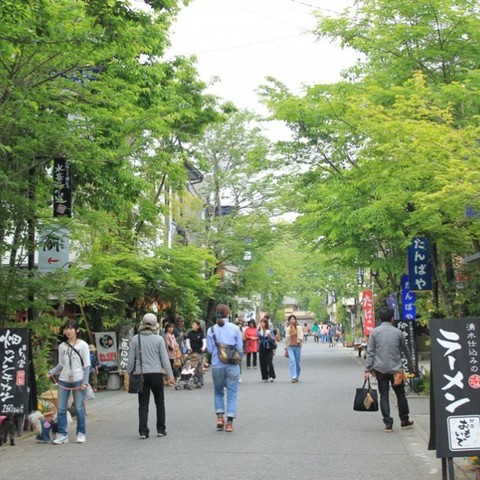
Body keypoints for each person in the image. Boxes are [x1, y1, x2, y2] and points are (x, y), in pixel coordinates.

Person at [364, 306, 415, 433]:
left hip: (380, 369)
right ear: (392, 318)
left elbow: (370, 352)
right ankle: (404, 420)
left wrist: (367, 369)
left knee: (384, 396)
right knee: (400, 395)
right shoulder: (398, 332)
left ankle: (388, 423)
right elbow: (405, 350)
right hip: (396, 371)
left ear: (380, 319)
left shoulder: (374, 333)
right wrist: (411, 364)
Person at [128, 313, 174, 439]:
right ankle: (161, 429)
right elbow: (164, 359)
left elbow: (131, 360)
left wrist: (128, 373)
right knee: (159, 402)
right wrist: (170, 375)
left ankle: (143, 431)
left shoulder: (136, 339)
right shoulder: (159, 339)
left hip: (141, 374)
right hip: (156, 374)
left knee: (143, 403)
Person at [47, 319, 90, 445]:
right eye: (67, 329)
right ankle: (62, 435)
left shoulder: (83, 345)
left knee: (78, 408)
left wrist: (85, 382)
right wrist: (51, 372)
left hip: (78, 380)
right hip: (63, 380)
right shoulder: (62, 346)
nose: (69, 331)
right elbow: (61, 365)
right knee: (61, 409)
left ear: (76, 330)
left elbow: (87, 366)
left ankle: (81, 433)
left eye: (71, 328)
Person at [206, 304, 243, 433]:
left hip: (217, 365)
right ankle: (229, 423)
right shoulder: (235, 328)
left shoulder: (211, 330)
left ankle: (220, 418)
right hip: (232, 365)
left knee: (218, 391)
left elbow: (210, 350)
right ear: (228, 314)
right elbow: (239, 348)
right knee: (232, 394)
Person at [185, 320, 206, 386]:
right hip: (192, 351)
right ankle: (191, 378)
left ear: (198, 326)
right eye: (192, 325)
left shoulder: (201, 333)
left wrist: (203, 348)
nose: (193, 326)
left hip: (199, 351)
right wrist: (189, 348)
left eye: (194, 325)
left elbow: (204, 341)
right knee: (191, 364)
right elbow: (188, 341)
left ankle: (200, 380)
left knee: (199, 366)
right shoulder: (190, 333)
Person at [285, 314, 303, 383]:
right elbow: (286, 338)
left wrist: (299, 340)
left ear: (295, 320)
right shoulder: (288, 329)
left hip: (297, 346)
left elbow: (301, 336)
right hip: (290, 346)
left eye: (293, 319)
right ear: (289, 321)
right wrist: (286, 346)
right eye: (291, 319)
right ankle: (294, 376)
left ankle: (297, 375)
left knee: (297, 362)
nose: (292, 320)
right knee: (292, 361)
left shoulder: (299, 328)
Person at [257, 317, 276, 382]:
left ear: (266, 323)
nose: (262, 323)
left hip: (269, 346)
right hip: (262, 346)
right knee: (262, 362)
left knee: (269, 361)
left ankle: (271, 376)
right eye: (261, 322)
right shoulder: (258, 330)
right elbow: (257, 336)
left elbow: (273, 339)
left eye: (263, 322)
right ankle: (265, 376)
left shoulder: (270, 330)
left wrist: (270, 336)